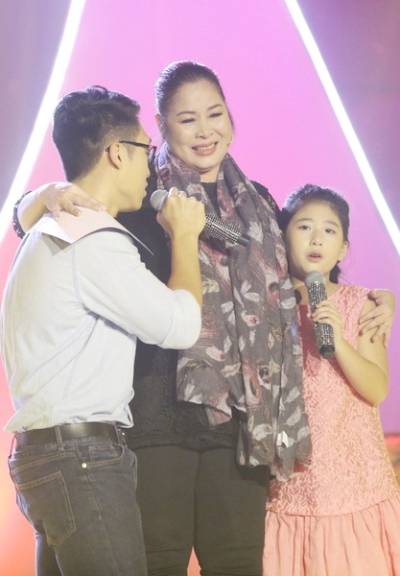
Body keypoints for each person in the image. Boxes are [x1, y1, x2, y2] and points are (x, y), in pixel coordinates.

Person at [12, 62, 396, 576]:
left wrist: (374, 299)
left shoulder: (260, 204)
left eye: (214, 114)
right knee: (157, 561)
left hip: (244, 420)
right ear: (160, 126)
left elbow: (299, 274)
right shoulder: (138, 194)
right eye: (187, 119)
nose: (204, 130)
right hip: (157, 416)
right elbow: (52, 218)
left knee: (237, 562)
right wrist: (36, 197)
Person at [1, 85, 206, 576]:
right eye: (146, 151)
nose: (151, 168)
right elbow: (181, 325)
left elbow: (23, 214)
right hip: (81, 460)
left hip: (48, 457)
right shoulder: (92, 237)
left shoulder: (50, 226)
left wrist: (40, 195)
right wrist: (185, 236)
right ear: (117, 152)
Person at [263, 184, 400, 576]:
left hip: (356, 489)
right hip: (291, 487)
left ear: (342, 248)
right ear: (283, 235)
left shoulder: (363, 304)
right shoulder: (266, 305)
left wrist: (337, 340)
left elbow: (376, 388)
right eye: (304, 227)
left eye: (329, 230)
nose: (316, 238)